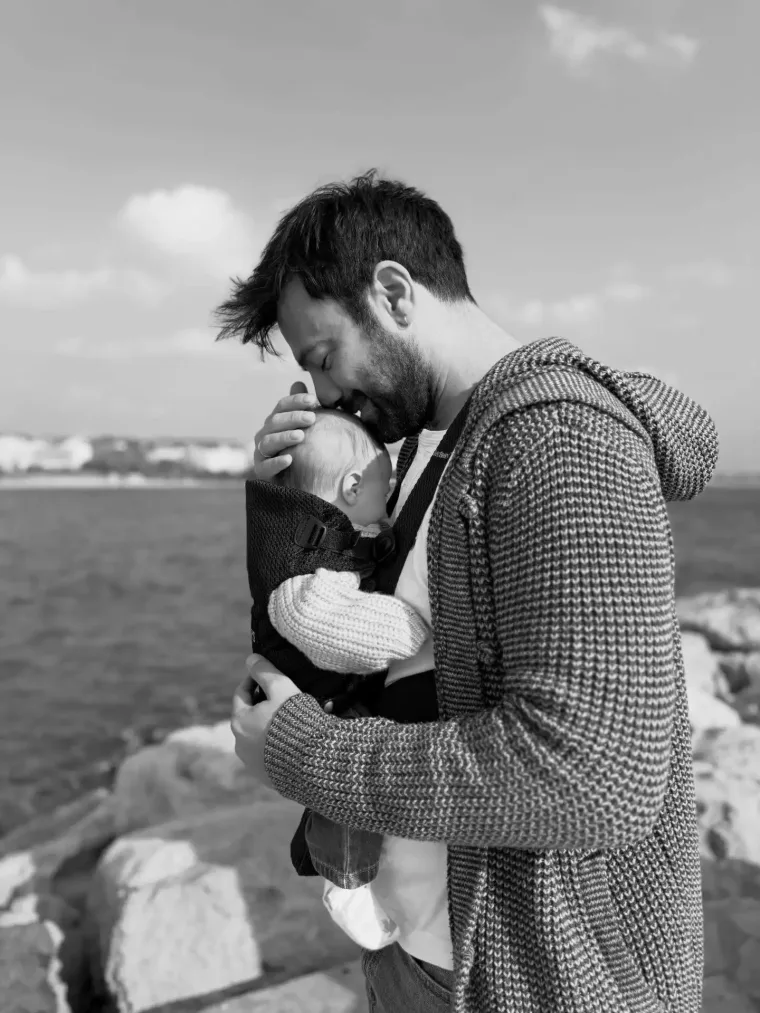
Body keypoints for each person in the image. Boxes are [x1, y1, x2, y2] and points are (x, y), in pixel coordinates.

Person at [218, 170, 716, 1013]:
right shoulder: (432, 447)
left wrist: (307, 752)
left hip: (542, 984)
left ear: (393, 293)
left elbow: (594, 777)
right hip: (432, 960)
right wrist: (287, 511)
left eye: (324, 357)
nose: (327, 393)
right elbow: (356, 645)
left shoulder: (560, 442)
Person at [245, 406, 434, 949]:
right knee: (344, 809)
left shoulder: (330, 540)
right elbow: (344, 627)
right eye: (384, 488)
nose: (390, 499)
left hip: (331, 701)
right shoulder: (301, 577)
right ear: (352, 487)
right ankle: (347, 886)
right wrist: (420, 625)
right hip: (327, 710)